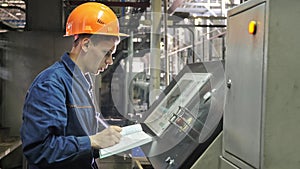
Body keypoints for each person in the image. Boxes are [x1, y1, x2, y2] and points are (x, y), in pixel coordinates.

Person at [20, 2, 128, 169]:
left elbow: (80, 130)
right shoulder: (51, 85)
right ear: (85, 44)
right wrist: (92, 141)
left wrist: (114, 135)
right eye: (106, 53)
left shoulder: (81, 82)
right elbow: (40, 149)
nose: (110, 61)